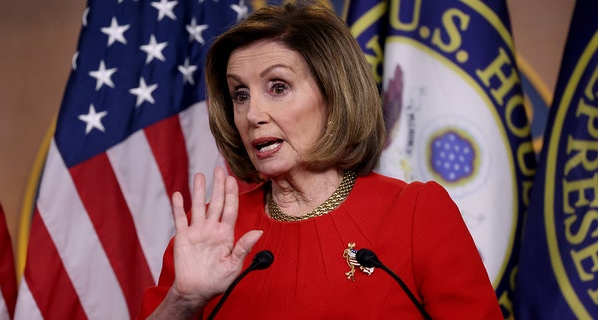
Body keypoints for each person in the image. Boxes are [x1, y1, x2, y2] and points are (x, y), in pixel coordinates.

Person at [138, 2, 503, 319]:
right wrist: (182, 303)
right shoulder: (211, 234)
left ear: (334, 96)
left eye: (277, 87)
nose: (253, 114)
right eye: (240, 94)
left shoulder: (414, 214)